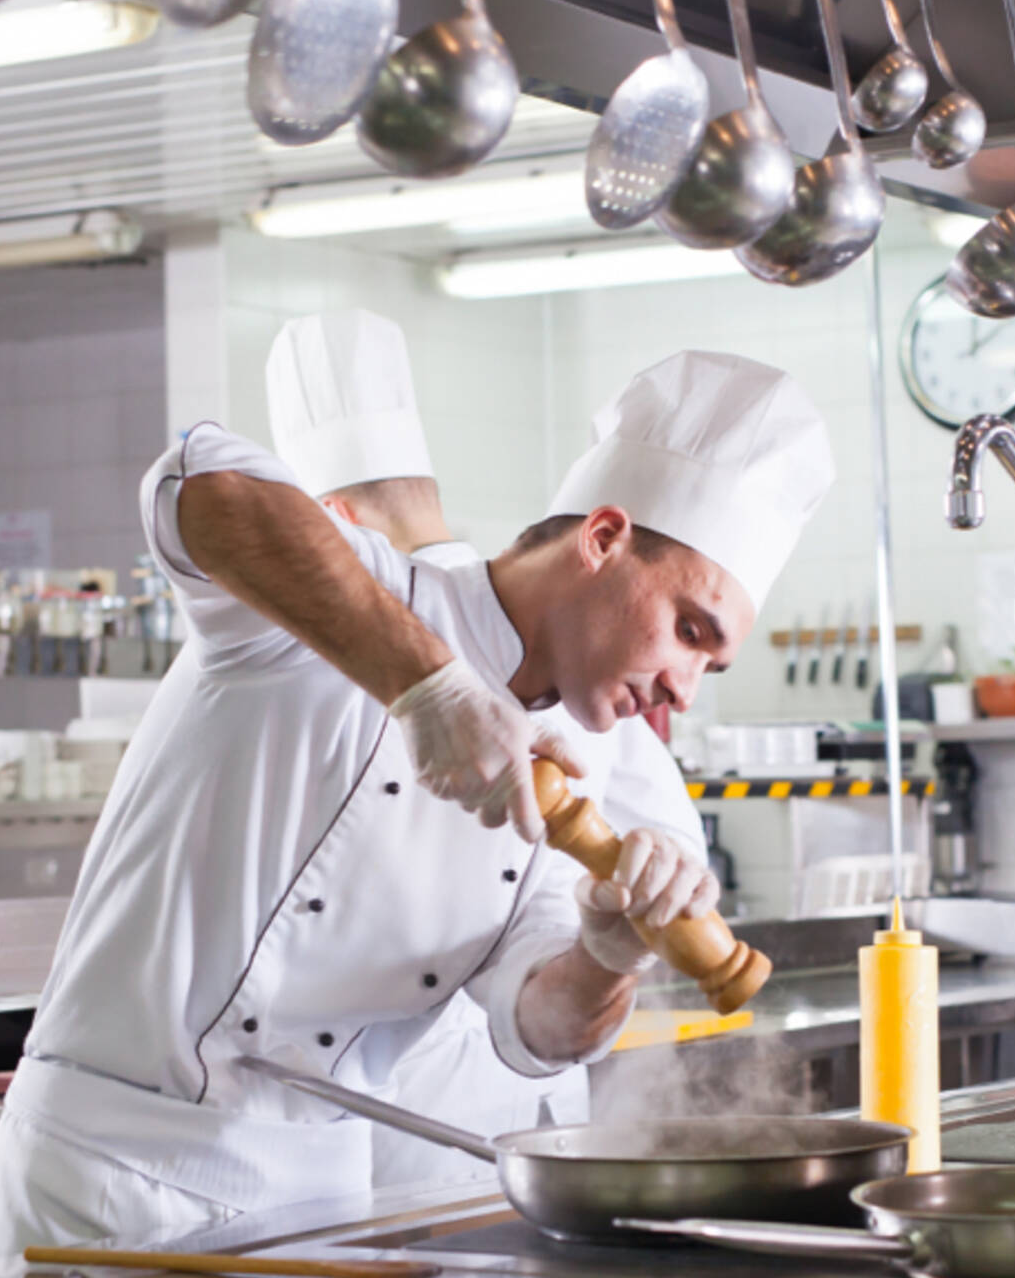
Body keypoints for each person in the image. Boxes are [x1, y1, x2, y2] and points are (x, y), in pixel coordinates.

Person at [0, 349, 832, 1257]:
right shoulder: (354, 601)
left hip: (318, 1206)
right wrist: (431, 688)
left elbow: (536, 1026)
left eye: (712, 662)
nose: (685, 687)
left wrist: (605, 953)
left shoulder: (583, 771)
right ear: (605, 538)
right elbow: (195, 483)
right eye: (689, 631)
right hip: (103, 1183)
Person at [265, 310, 706, 1184]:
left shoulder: (551, 652)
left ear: (331, 520)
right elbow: (682, 865)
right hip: (482, 1116)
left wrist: (612, 939)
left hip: (425, 1117)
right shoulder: (535, 638)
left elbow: (667, 883)